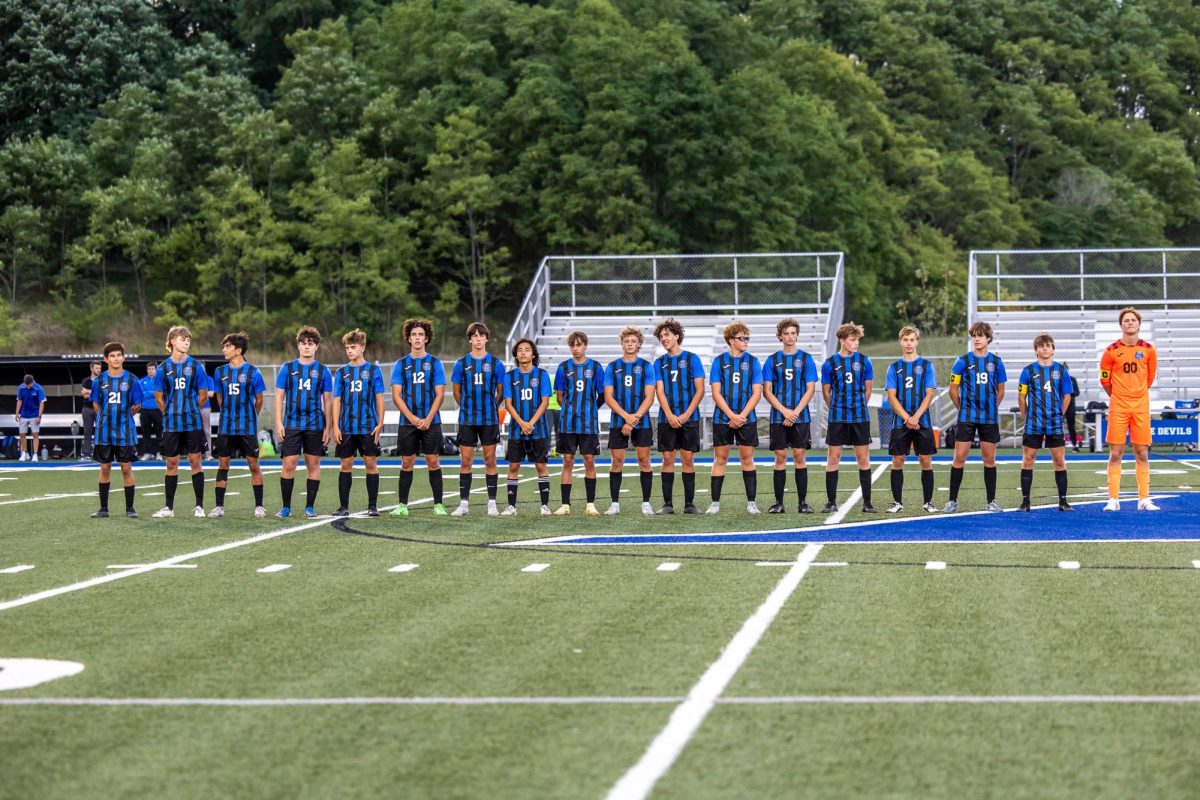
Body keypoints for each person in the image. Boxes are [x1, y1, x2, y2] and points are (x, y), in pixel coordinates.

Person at [944, 321, 1007, 513]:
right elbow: (952, 390)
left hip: (988, 418)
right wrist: (962, 409)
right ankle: (952, 501)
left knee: (989, 459)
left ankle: (991, 501)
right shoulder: (962, 360)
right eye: (974, 336)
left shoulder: (996, 362)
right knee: (959, 458)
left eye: (981, 335)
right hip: (967, 417)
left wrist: (991, 407)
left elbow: (1001, 390)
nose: (977, 339)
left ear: (988, 338)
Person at [1100, 307, 1158, 511]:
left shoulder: (1149, 350)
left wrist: (1136, 393)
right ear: (1121, 324)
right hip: (1118, 406)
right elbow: (1105, 380)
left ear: (1139, 324)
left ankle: (1144, 498)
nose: (1130, 323)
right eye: (1126, 320)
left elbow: (1149, 378)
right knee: (1116, 453)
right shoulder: (1111, 351)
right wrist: (1118, 396)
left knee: (1142, 452)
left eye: (1133, 320)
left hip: (1141, 407)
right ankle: (1113, 499)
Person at [274, 325, 334, 518]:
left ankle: (310, 507)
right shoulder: (287, 368)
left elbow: (328, 401)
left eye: (310, 344)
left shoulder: (323, 371)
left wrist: (328, 428)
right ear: (298, 346)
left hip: (315, 425)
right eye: (303, 343)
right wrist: (278, 422)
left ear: (316, 347)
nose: (306, 347)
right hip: (291, 424)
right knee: (289, 464)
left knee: (312, 464)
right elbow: (278, 397)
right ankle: (286, 507)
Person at [389, 319, 447, 517]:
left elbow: (440, 394)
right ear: (408, 338)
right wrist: (412, 418)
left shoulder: (435, 363)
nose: (417, 338)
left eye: (421, 334)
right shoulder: (401, 364)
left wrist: (428, 418)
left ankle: (438, 505)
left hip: (431, 421)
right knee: (407, 462)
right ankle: (402, 505)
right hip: (408, 421)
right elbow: (396, 395)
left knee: (433, 460)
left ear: (427, 338)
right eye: (414, 335)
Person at [208, 332, 267, 518]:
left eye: (227, 347)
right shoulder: (219, 372)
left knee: (253, 465)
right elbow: (219, 397)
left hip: (247, 427)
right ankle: (219, 507)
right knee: (223, 464)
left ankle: (259, 506)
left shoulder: (253, 372)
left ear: (238, 350)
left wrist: (249, 416)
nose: (223, 350)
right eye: (224, 346)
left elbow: (259, 400)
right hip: (226, 426)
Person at [763, 318, 818, 513]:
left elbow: (810, 389)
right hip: (779, 416)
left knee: (799, 455)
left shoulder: (806, 359)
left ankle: (802, 503)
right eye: (786, 333)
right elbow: (767, 391)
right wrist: (784, 411)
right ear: (780, 336)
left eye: (793, 333)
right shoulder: (772, 360)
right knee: (780, 457)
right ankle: (779, 503)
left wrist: (794, 412)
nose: (790, 336)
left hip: (800, 417)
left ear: (797, 335)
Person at [450, 322, 506, 517]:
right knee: (466, 460)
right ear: (470, 339)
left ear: (486, 338)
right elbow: (456, 392)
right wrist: (467, 405)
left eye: (482, 335)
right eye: (474, 336)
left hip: (489, 419)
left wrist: (492, 405)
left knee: (490, 460)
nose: (478, 339)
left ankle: (492, 504)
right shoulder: (461, 364)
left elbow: (500, 391)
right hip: (467, 419)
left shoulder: (496, 363)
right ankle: (464, 504)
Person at [707, 321, 763, 514]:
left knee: (747, 459)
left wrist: (742, 416)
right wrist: (732, 415)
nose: (746, 341)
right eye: (742, 338)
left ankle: (751, 503)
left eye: (747, 338)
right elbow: (716, 392)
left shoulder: (753, 362)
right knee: (720, 459)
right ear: (731, 340)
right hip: (723, 418)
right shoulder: (719, 362)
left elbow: (757, 393)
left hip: (747, 418)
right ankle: (714, 503)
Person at [153, 326, 209, 518]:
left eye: (188, 340)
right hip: (172, 424)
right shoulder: (162, 368)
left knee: (195, 462)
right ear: (172, 341)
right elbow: (159, 397)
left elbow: (202, 395)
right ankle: (169, 508)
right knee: (171, 463)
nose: (186, 342)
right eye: (182, 339)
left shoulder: (195, 366)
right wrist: (168, 412)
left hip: (192, 422)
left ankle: (199, 506)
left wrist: (192, 408)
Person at [821, 321, 875, 514]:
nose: (856, 343)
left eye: (857, 340)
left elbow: (868, 390)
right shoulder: (830, 364)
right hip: (837, 418)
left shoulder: (865, 361)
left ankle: (867, 503)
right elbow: (826, 392)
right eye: (852, 340)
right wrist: (837, 408)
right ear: (842, 341)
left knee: (863, 458)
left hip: (860, 417)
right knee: (833, 458)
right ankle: (831, 502)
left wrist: (858, 406)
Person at [602, 326, 656, 516]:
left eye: (633, 341)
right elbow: (609, 397)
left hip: (642, 421)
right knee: (617, 461)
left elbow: (650, 397)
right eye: (627, 341)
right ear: (622, 344)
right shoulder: (612, 366)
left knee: (644, 460)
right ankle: (615, 504)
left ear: (639, 344)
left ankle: (646, 502)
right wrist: (626, 417)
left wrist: (633, 420)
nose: (630, 344)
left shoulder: (647, 366)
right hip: (619, 420)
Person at [653, 318, 705, 514]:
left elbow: (699, 390)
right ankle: (667, 504)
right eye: (661, 336)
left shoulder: (692, 359)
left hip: (689, 417)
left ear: (677, 336)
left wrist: (686, 414)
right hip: (667, 418)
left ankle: (689, 504)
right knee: (667, 458)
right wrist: (669, 414)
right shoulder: (659, 363)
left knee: (687, 459)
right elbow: (660, 391)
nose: (663, 339)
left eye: (667, 335)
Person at [884, 326, 938, 514]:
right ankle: (897, 502)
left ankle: (928, 502)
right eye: (905, 340)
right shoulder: (894, 367)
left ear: (917, 342)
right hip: (901, 422)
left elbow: (929, 393)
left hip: (922, 421)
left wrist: (916, 417)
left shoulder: (926, 366)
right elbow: (891, 396)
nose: (908, 343)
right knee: (898, 460)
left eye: (912, 340)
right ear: (901, 342)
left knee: (925, 460)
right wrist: (907, 418)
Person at [331, 329, 385, 517]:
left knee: (371, 463)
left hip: (368, 426)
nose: (349, 351)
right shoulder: (341, 372)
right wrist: (335, 425)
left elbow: (379, 399)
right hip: (346, 427)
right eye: (347, 348)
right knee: (346, 464)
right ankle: (343, 507)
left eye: (353, 347)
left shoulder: (373, 370)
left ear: (362, 348)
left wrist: (380, 423)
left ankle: (372, 506)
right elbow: (336, 400)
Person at [1017, 333, 1074, 512]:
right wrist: (1027, 416)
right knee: (1028, 460)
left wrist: (1059, 414)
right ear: (1036, 350)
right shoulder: (1028, 371)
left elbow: (1067, 396)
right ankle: (1025, 502)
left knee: (1059, 460)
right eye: (1041, 346)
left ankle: (1063, 501)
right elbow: (1021, 397)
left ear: (1053, 349)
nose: (1045, 348)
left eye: (1048, 345)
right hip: (1033, 423)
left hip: (1054, 423)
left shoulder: (1062, 371)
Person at [90, 342, 143, 518]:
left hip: (125, 431)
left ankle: (130, 509)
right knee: (105, 467)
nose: (116, 358)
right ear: (106, 359)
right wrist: (106, 418)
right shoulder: (99, 381)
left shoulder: (131, 380)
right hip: (104, 432)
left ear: (123, 357)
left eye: (119, 355)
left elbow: (137, 404)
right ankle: (103, 509)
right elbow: (96, 404)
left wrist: (125, 416)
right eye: (112, 356)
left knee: (126, 468)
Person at [553, 331, 604, 516]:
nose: (576, 349)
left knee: (589, 460)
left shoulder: (596, 367)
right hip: (568, 424)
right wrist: (570, 410)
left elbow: (602, 395)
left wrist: (590, 409)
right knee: (567, 460)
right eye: (573, 345)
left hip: (588, 423)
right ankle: (565, 505)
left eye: (579, 345)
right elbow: (560, 396)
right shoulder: (563, 367)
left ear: (585, 346)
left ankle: (590, 504)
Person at [501, 338, 553, 515]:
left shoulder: (542, 375)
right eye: (520, 350)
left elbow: (545, 402)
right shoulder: (509, 376)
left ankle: (545, 506)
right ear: (516, 354)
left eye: (527, 350)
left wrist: (530, 423)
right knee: (513, 466)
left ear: (533, 354)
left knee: (541, 466)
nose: (523, 352)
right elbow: (508, 403)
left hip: (538, 429)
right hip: (517, 429)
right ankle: (511, 506)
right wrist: (522, 423)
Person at [14, 374, 45, 461]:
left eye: (29, 385)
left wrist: (39, 416)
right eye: (26, 385)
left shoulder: (38, 388)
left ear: (32, 382)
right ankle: (25, 453)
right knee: (22, 434)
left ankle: (35, 454)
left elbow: (41, 403)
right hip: (24, 414)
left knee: (35, 434)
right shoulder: (21, 388)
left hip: (34, 414)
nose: (27, 387)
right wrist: (17, 413)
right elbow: (19, 400)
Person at [138, 362, 162, 460]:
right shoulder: (142, 381)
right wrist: (153, 393)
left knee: (159, 432)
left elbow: (161, 393)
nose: (150, 371)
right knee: (145, 432)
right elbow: (141, 394)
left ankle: (159, 453)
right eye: (149, 369)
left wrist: (148, 393)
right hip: (145, 410)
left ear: (156, 370)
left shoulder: (160, 381)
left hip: (157, 409)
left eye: (152, 369)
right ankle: (147, 452)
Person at [80, 360, 102, 459]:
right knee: (87, 432)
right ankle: (86, 454)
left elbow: (102, 394)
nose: (98, 370)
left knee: (101, 431)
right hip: (87, 409)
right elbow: (83, 395)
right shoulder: (86, 381)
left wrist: (89, 392)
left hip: (99, 409)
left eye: (99, 368)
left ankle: (100, 453)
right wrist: (94, 393)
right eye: (96, 368)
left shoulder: (103, 380)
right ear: (91, 369)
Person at [1063, 364, 1081, 451]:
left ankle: (1074, 445)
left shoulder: (1073, 380)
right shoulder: (1057, 380)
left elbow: (1077, 392)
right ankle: (1058, 445)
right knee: (1058, 425)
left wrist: (1069, 392)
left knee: (1071, 426)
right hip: (1060, 405)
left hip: (1070, 405)